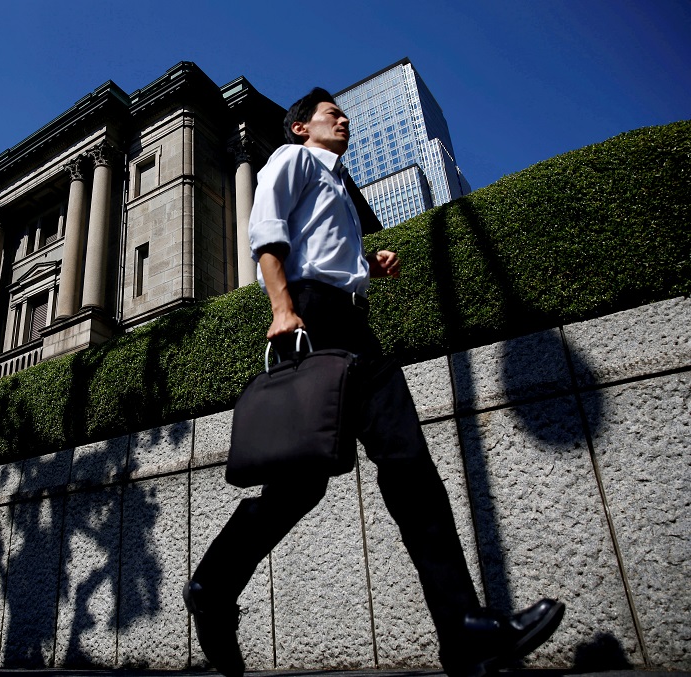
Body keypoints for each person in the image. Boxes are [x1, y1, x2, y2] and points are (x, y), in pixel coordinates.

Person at [183, 88, 565, 677]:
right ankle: (213, 587)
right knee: (309, 485)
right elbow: (267, 233)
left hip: (350, 321)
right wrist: (283, 309)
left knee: (401, 466)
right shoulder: (292, 160)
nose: (344, 120)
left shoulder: (335, 183)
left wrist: (366, 265)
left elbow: (324, 248)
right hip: (312, 320)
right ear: (300, 127)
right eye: (332, 114)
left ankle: (462, 628)